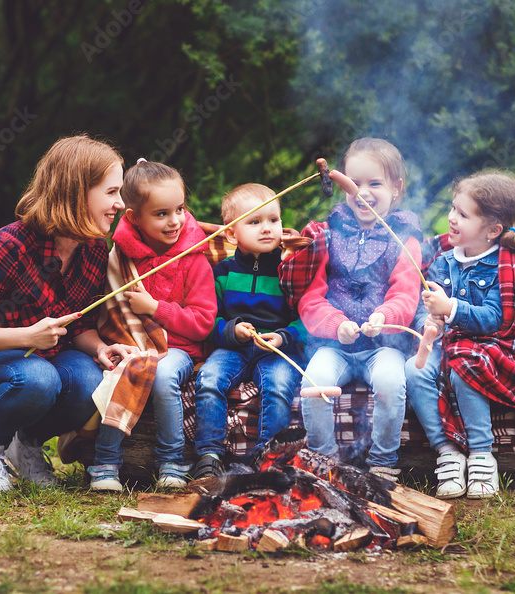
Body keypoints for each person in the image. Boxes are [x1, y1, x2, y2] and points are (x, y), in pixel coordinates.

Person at [0, 135, 138, 492]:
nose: (120, 204)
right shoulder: (9, 245)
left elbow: (78, 324)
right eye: (111, 193)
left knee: (90, 382)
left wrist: (99, 349)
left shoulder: (94, 248)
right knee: (38, 378)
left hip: (46, 362)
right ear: (77, 191)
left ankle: (27, 445)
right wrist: (27, 336)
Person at [298, 138, 423, 481]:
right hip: (333, 345)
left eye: (375, 184)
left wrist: (384, 318)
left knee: (389, 382)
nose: (363, 192)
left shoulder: (404, 239)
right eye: (355, 183)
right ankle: (322, 459)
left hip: (382, 346)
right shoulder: (328, 234)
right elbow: (310, 298)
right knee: (315, 381)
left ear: (396, 189)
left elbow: (407, 292)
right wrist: (335, 323)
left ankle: (383, 461)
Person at [88, 159, 217, 491]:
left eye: (180, 209)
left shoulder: (193, 258)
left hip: (180, 350)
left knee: (159, 373)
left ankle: (172, 460)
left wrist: (156, 308)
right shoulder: (121, 258)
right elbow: (111, 311)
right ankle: (105, 463)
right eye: (161, 214)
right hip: (134, 342)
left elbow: (203, 324)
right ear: (133, 218)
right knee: (125, 370)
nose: (174, 221)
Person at [405, 171, 515, 499]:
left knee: (464, 370)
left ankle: (482, 455)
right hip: (447, 345)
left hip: (488, 347)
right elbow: (426, 308)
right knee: (413, 372)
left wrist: (452, 307)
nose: (451, 218)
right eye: (452, 209)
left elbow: (495, 319)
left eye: (463, 214)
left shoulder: (504, 266)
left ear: (492, 230)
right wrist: (429, 324)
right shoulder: (443, 262)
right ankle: (447, 452)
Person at [192, 184, 304, 478]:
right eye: (254, 222)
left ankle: (267, 460)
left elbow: (306, 319)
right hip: (234, 347)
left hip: (276, 349)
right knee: (209, 378)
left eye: (273, 220)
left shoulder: (289, 271)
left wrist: (283, 336)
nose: (266, 229)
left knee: (279, 385)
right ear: (231, 234)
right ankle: (209, 455)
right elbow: (207, 320)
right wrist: (231, 331)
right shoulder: (224, 273)